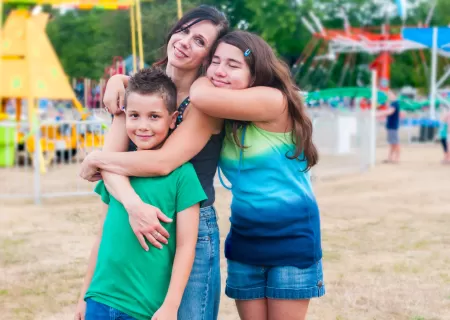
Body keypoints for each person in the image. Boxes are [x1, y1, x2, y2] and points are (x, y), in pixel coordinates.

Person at [79, 5, 229, 320]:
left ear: (208, 57)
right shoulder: (140, 90)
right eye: (185, 30)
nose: (186, 41)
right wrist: (133, 206)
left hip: (190, 226)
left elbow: (161, 163)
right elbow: (114, 165)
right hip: (137, 211)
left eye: (200, 41)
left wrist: (95, 158)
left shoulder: (205, 102)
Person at [189, 30, 324, 320]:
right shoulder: (225, 113)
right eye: (215, 61)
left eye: (233, 65)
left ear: (256, 72)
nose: (220, 71)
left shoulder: (273, 100)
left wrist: (202, 75)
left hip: (292, 238)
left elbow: (198, 93)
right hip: (245, 239)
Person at [74, 68, 207, 320]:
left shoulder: (182, 175)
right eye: (134, 115)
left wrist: (170, 306)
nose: (143, 126)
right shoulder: (116, 169)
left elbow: (186, 247)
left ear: (172, 119)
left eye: (154, 116)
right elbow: (102, 234)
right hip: (100, 300)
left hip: (145, 308)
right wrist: (84, 295)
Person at [378, 91, 401, 163]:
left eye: (391, 94)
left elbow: (390, 112)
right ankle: (390, 158)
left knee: (395, 143)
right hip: (390, 126)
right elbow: (388, 111)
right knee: (392, 143)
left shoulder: (395, 103)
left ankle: (396, 158)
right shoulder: (392, 104)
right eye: (389, 95)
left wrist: (378, 114)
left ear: (395, 95)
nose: (389, 96)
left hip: (393, 126)